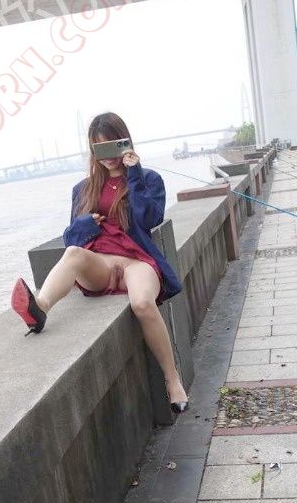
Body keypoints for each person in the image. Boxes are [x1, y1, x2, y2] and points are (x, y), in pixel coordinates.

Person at [10, 112, 189, 413]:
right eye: (99, 148)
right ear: (92, 150)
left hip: (136, 262)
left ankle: (172, 380)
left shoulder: (148, 179)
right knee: (73, 254)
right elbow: (71, 237)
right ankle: (39, 308)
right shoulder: (83, 188)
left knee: (143, 304)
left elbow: (151, 218)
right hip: (100, 265)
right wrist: (85, 222)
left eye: (112, 145)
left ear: (125, 142)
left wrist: (134, 173)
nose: (107, 156)